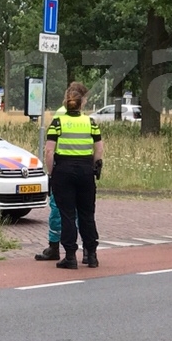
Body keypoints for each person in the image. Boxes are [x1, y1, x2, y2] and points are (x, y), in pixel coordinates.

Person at [44, 82, 103, 269]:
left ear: (66, 101)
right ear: (81, 103)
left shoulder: (58, 122)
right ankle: (91, 255)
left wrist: (51, 173)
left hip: (64, 170)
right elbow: (99, 147)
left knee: (67, 215)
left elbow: (48, 151)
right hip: (86, 171)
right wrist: (95, 165)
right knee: (87, 214)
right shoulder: (90, 122)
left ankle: (70, 256)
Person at [35, 105, 67, 262]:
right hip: (83, 169)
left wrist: (50, 172)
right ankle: (88, 252)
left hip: (61, 168)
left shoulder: (60, 114)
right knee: (82, 211)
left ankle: (54, 247)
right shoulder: (87, 120)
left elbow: (49, 150)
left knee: (57, 208)